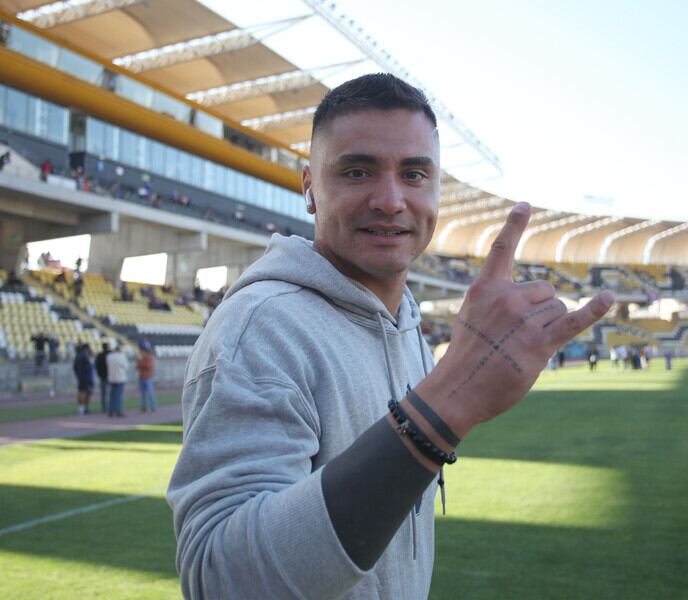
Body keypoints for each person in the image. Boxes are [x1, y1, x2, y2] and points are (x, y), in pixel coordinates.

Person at [166, 74, 615, 600]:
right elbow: (221, 580)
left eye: (414, 174)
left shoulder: (406, 323)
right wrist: (444, 407)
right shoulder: (263, 327)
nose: (390, 199)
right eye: (357, 171)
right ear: (309, 187)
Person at [106, 342, 128, 417]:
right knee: (118, 395)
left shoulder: (109, 356)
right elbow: (126, 366)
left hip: (111, 378)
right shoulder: (121, 356)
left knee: (112, 395)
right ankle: (118, 411)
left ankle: (111, 411)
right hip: (120, 378)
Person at [72, 343, 94, 414]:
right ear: (86, 349)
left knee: (83, 392)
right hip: (84, 377)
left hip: (82, 377)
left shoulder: (79, 356)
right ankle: (82, 408)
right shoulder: (83, 356)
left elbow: (75, 367)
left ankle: (82, 408)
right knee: (83, 392)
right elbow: (86, 368)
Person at [137, 342, 157, 412]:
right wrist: (141, 364)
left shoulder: (149, 358)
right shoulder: (140, 358)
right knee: (143, 394)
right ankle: (144, 406)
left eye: (142, 352)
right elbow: (137, 366)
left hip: (148, 377)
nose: (142, 353)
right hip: (141, 377)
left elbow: (148, 366)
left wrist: (141, 364)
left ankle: (153, 406)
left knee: (150, 393)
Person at [95, 342, 110, 414]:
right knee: (110, 393)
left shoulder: (99, 355)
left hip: (103, 376)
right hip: (109, 376)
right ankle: (110, 408)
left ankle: (104, 408)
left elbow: (97, 366)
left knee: (104, 394)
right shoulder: (110, 354)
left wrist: (99, 374)